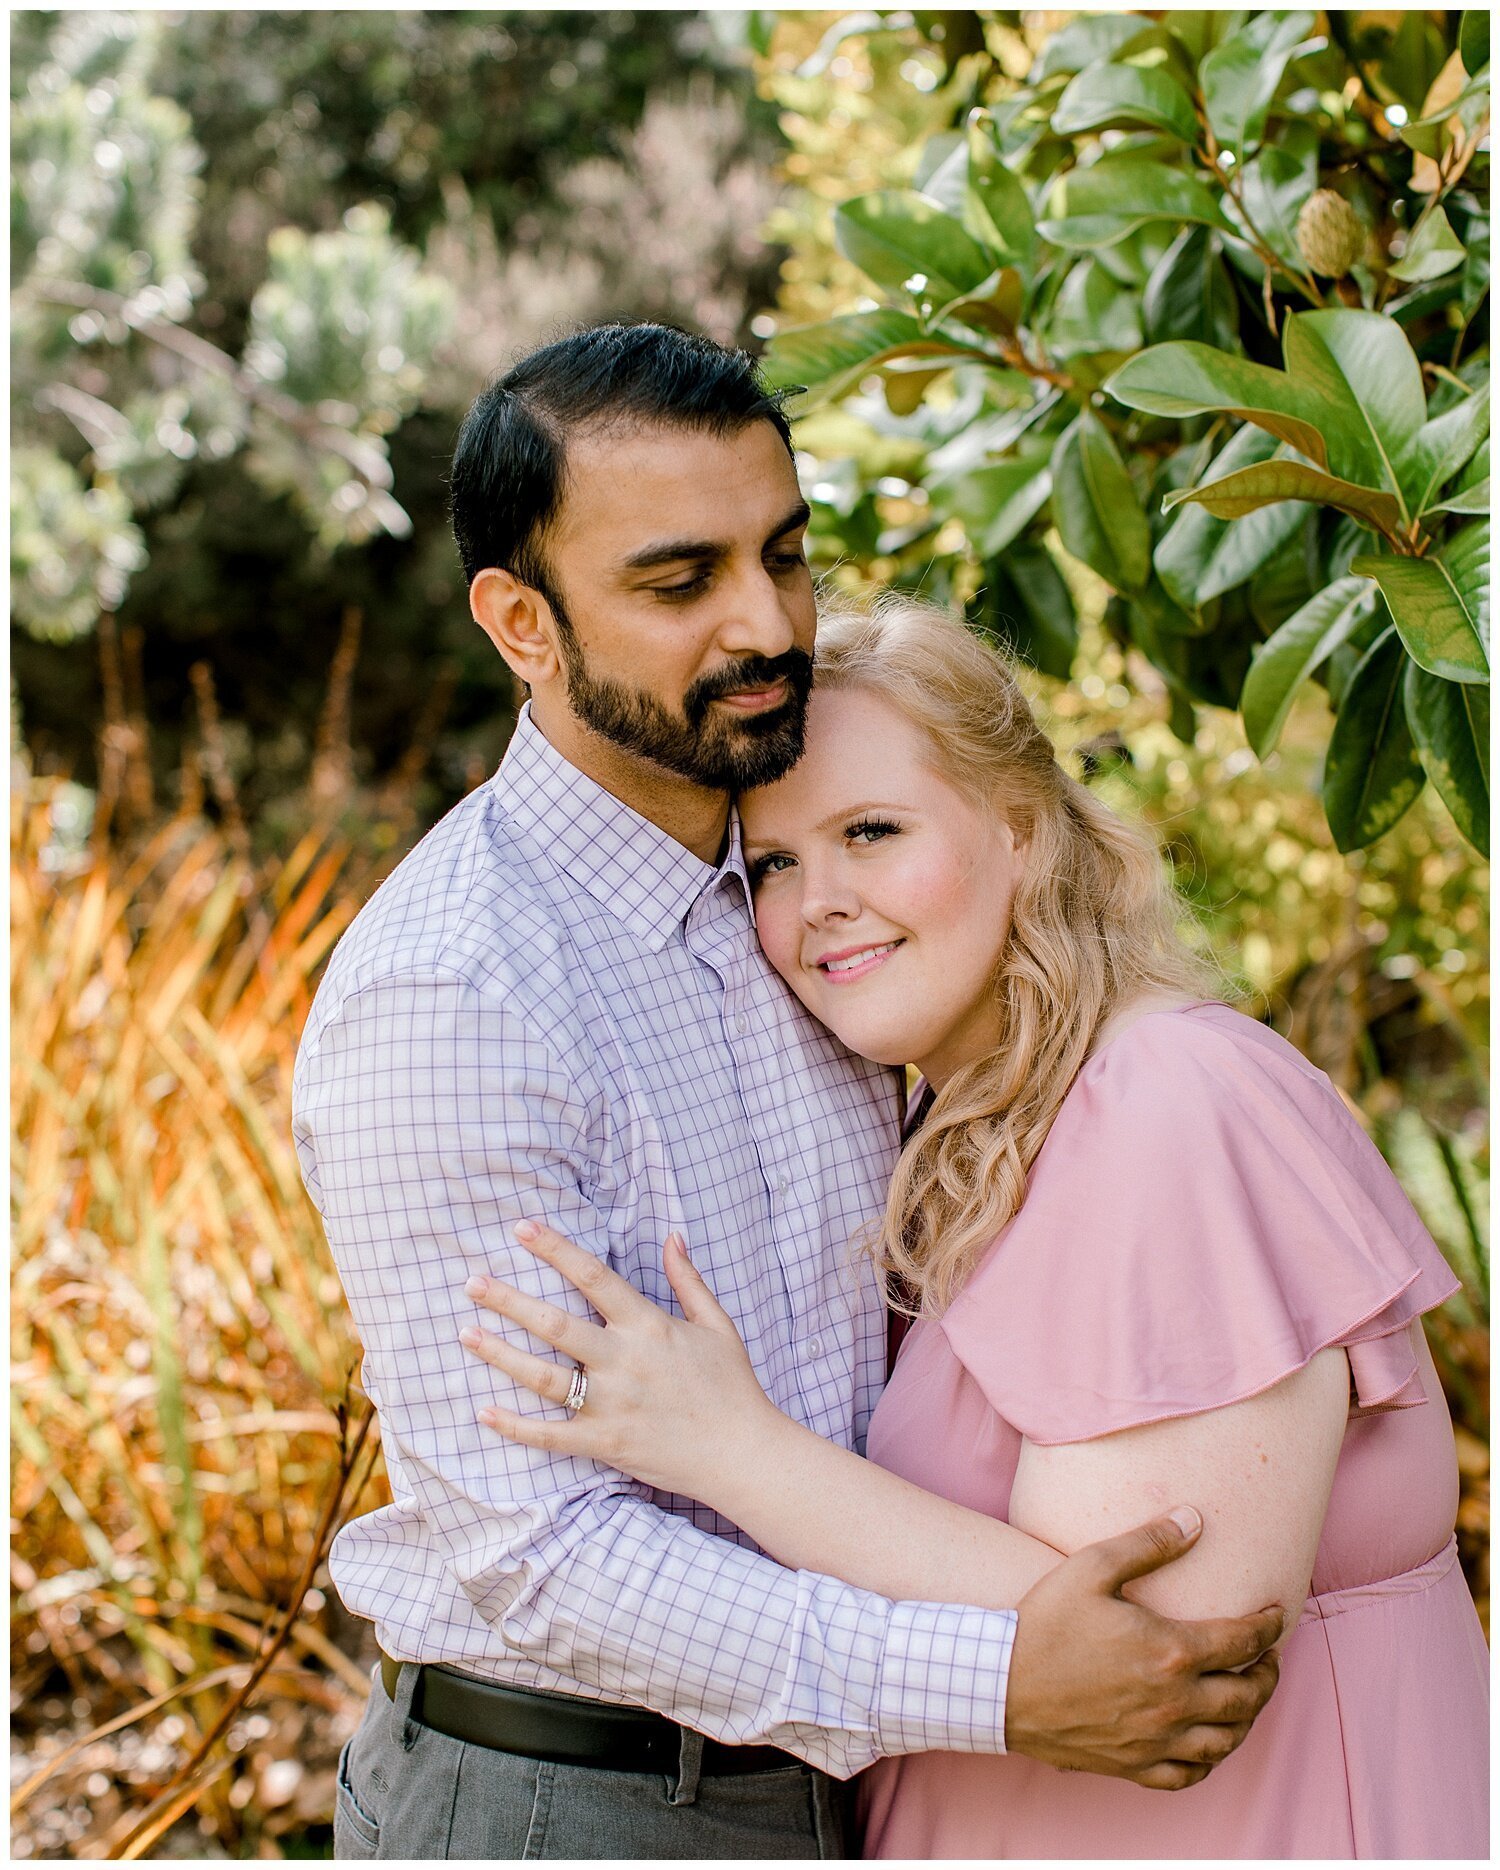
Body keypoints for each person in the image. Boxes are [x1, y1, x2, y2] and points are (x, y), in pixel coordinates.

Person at [292, 324, 1286, 1862]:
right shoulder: (456, 995)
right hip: (582, 1803)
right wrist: (1000, 1680)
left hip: (852, 1784)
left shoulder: (807, 906)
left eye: (787, 554)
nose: (767, 623)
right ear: (521, 622)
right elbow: (536, 1553)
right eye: (680, 581)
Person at [463, 593, 1489, 1860]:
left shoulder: (1169, 1101)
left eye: (872, 831)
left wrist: (732, 1450)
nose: (818, 900)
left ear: (1019, 828)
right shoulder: (969, 1138)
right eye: (775, 862)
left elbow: (1166, 1644)